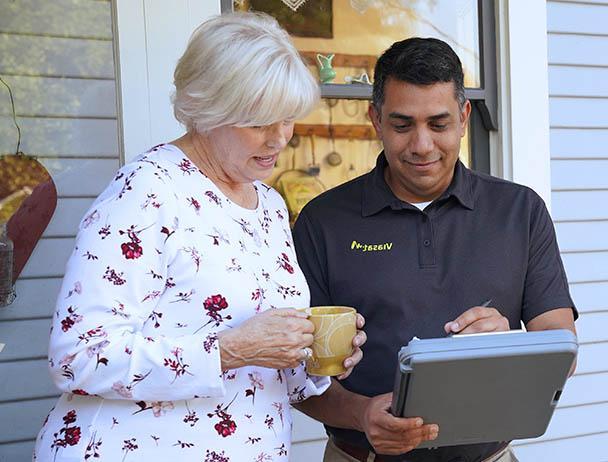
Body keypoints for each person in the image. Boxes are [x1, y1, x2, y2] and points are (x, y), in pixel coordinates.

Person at [33, 12, 365, 462]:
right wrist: (229, 350)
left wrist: (315, 358)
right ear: (208, 111)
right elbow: (79, 355)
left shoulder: (266, 204)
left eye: (287, 119)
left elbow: (269, 368)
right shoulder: (147, 192)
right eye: (259, 122)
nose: (279, 139)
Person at [292, 37, 577, 462]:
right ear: (376, 119)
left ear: (464, 117)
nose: (422, 145)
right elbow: (295, 376)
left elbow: (562, 349)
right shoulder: (322, 221)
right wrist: (360, 414)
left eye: (439, 124)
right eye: (402, 125)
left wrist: (510, 344)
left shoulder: (520, 211)